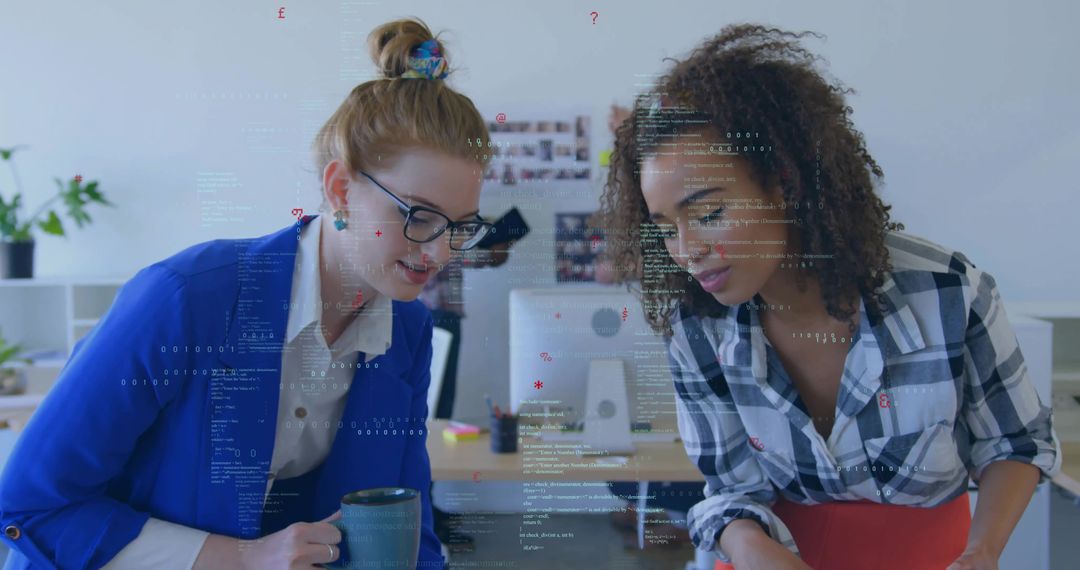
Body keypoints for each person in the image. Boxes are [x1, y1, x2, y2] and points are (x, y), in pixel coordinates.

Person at [0, 18, 493, 570]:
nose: (440, 253)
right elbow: (30, 506)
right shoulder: (184, 300)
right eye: (419, 216)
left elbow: (408, 526)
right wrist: (242, 558)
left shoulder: (407, 330)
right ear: (339, 189)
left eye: (460, 226)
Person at [593, 24, 1061, 570]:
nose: (687, 250)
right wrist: (746, 545)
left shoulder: (947, 292)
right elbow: (728, 489)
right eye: (666, 228)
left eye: (708, 213)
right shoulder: (696, 325)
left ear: (783, 182)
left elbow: (1015, 443)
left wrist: (982, 552)